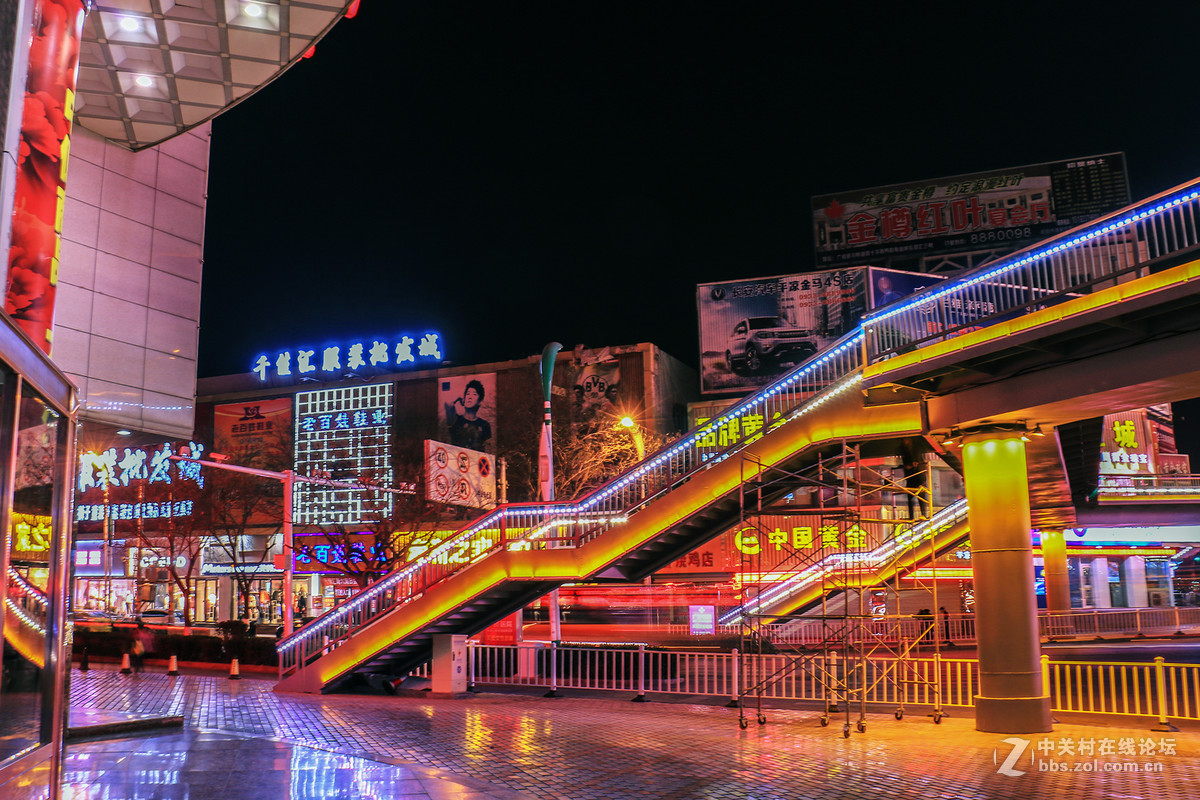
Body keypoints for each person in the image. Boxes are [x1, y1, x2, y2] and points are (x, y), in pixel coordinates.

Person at [446, 379, 492, 450]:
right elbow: (448, 404)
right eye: (467, 394)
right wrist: (458, 397)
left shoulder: (484, 425)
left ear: (480, 401)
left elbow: (489, 448)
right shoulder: (456, 420)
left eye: (474, 394)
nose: (469, 397)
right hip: (456, 458)